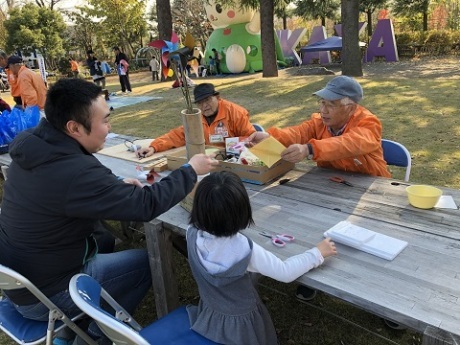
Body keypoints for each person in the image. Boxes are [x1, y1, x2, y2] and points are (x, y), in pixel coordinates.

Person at [0, 78, 219, 345]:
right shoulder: (76, 172)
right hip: (46, 295)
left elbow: (67, 190)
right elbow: (146, 205)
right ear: (74, 127)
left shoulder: (35, 145)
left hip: (19, 282)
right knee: (146, 262)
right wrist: (190, 171)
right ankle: (95, 334)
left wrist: (113, 186)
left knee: (104, 237)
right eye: (104, 121)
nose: (109, 127)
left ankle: (77, 325)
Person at [246, 75, 390, 302]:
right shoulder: (319, 122)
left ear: (350, 107)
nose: (323, 110)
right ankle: (311, 273)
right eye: (322, 103)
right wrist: (270, 137)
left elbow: (350, 143)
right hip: (328, 187)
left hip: (371, 193)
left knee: (371, 244)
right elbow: (296, 133)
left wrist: (310, 149)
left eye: (330, 104)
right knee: (312, 228)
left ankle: (381, 293)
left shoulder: (369, 123)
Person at [186, 171, 337, 345]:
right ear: (242, 210)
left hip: (211, 312)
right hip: (242, 328)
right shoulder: (243, 248)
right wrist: (317, 253)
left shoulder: (192, 232)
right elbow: (285, 272)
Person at [139, 83, 255, 156]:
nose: (204, 106)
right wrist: (153, 147)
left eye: (207, 100)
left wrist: (227, 149)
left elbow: (252, 139)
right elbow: (177, 135)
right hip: (208, 161)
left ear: (218, 98)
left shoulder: (236, 113)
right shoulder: (196, 118)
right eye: (200, 103)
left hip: (234, 161)